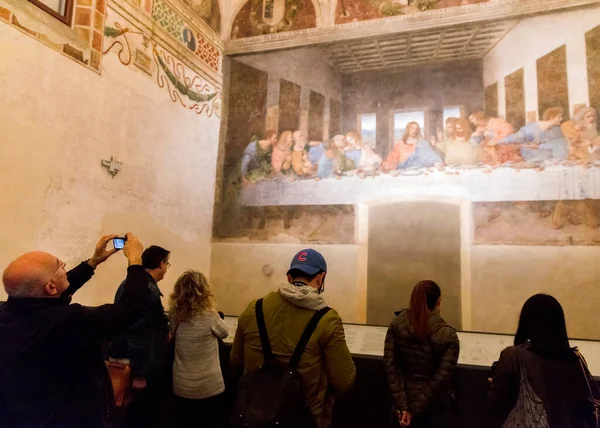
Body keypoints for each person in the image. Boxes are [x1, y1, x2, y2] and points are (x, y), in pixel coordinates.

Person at [0, 233, 148, 428]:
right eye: (60, 266)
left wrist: (93, 262)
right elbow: (132, 308)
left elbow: (48, 293)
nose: (64, 265)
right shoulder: (69, 322)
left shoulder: (8, 313)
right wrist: (136, 261)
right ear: (51, 287)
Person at [231, 249, 356, 428]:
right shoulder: (327, 319)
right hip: (302, 417)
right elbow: (344, 380)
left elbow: (235, 360)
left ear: (289, 278)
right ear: (320, 278)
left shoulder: (254, 308)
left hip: (253, 414)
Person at [487, 294, 597, 428]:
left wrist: (496, 383)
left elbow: (495, 405)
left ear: (527, 323)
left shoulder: (514, 356)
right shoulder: (576, 359)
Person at [108, 245, 171, 428]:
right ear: (161, 264)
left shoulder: (130, 283)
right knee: (139, 414)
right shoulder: (148, 290)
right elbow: (138, 333)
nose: (166, 269)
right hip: (136, 362)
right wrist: (140, 374)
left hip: (124, 356)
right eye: (167, 264)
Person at [383, 280, 460, 428]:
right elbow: (440, 380)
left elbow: (391, 369)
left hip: (401, 409)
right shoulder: (448, 335)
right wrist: (413, 410)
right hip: (434, 411)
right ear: (438, 302)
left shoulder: (396, 325)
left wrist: (404, 407)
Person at [169, 270, 229, 428]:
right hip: (209, 386)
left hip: (182, 385)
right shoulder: (209, 315)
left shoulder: (175, 315)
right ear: (204, 291)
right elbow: (225, 333)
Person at [496, 107, 568, 162]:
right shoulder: (532, 127)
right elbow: (517, 136)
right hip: (530, 158)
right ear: (552, 117)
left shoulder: (556, 130)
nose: (561, 119)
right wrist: (499, 141)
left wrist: (539, 146)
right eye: (559, 117)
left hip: (548, 159)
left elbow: (556, 144)